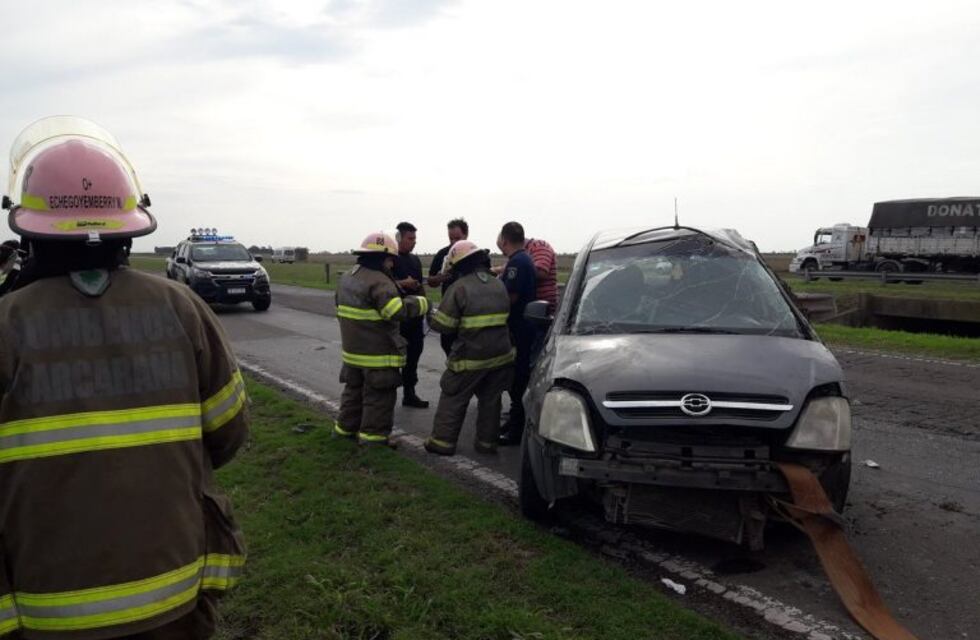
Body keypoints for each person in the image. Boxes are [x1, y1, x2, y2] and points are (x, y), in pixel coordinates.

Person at [0, 116, 247, 639]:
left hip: (46, 608)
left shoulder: (7, 323)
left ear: (29, 231)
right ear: (127, 230)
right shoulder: (183, 308)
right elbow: (228, 432)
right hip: (174, 594)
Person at [335, 232, 429, 446]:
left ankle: (344, 432)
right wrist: (422, 303)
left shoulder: (348, 277)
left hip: (352, 353)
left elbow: (339, 310)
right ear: (383, 258)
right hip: (377, 355)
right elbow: (394, 311)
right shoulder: (380, 281)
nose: (391, 264)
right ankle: (374, 440)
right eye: (390, 260)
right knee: (379, 399)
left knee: (353, 394)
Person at [424, 241, 514, 456]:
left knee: (453, 396)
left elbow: (445, 325)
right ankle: (486, 445)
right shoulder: (498, 284)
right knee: (491, 401)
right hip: (500, 357)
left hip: (470, 357)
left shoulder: (460, 287)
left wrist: (429, 314)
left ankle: (441, 443)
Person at [495, 222, 537, 446]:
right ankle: (514, 422)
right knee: (516, 379)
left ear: (504, 239)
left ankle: (517, 430)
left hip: (520, 330)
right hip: (522, 328)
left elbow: (509, 297)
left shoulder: (518, 263)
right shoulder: (522, 259)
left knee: (518, 380)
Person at [391, 222, 429, 408]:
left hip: (415, 319)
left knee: (413, 358)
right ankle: (386, 396)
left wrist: (426, 307)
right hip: (398, 319)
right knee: (393, 360)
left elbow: (421, 285)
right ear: (399, 238)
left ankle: (409, 393)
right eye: (410, 238)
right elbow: (382, 286)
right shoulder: (390, 260)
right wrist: (402, 284)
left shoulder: (415, 260)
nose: (414, 242)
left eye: (415, 239)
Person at [427, 218, 469, 356]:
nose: (453, 242)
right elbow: (431, 281)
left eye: (457, 238)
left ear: (466, 235)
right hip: (449, 311)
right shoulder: (442, 254)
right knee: (448, 345)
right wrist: (438, 278)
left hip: (470, 312)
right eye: (451, 238)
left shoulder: (476, 255)